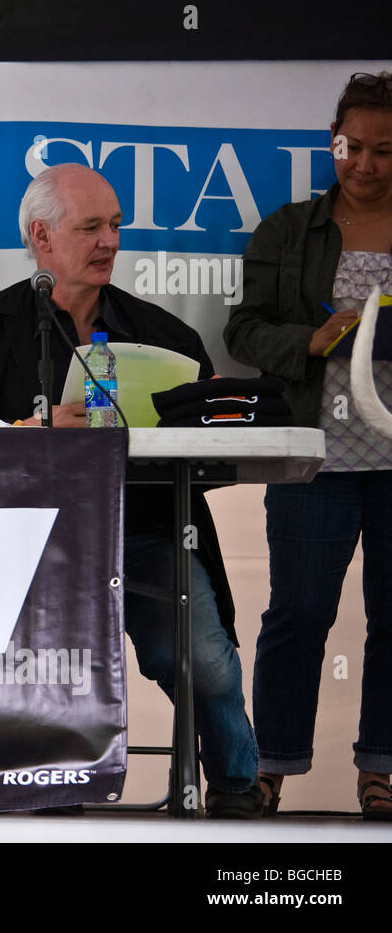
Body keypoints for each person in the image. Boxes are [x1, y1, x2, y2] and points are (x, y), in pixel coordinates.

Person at [0, 163, 265, 817]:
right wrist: (27, 429)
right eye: (90, 226)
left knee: (207, 663)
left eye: (115, 225)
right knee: (22, 669)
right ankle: (46, 790)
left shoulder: (163, 336)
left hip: (142, 529)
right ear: (42, 236)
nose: (109, 241)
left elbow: (215, 440)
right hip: (24, 548)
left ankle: (235, 790)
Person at [223, 71, 392, 819]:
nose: (364, 165)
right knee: (296, 613)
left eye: (385, 151)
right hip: (312, 454)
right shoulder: (288, 230)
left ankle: (381, 771)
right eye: (351, 147)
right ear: (332, 142)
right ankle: (270, 767)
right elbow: (243, 329)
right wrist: (311, 337)